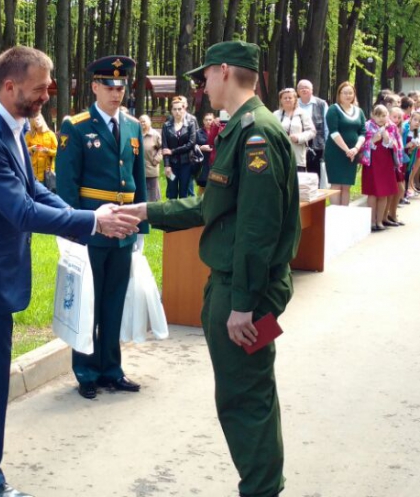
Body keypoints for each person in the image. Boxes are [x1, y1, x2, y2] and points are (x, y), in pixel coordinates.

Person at [0, 46, 138, 497]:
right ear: (10, 85)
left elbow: (32, 186)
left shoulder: (9, 124)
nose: (46, 97)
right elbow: (19, 210)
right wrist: (93, 222)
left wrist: (78, 213)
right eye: (39, 90)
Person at [122, 40, 299, 497]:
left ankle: (260, 489)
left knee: (245, 398)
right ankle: (263, 485)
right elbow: (213, 207)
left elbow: (258, 228)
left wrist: (242, 304)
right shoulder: (242, 127)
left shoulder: (256, 132)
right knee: (246, 393)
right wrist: (147, 212)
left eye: (205, 77)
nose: (201, 87)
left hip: (244, 292)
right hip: (237, 286)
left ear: (224, 71)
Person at [56, 55, 149, 400]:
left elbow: (137, 180)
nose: (117, 92)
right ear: (95, 87)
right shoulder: (77, 126)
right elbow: (67, 184)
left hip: (123, 229)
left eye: (121, 86)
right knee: (88, 304)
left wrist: (139, 228)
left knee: (113, 304)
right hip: (92, 227)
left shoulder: (133, 126)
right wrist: (74, 230)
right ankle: (86, 370)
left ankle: (112, 368)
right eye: (110, 86)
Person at [359, 105, 401, 231]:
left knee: (384, 193)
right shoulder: (367, 126)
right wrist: (373, 140)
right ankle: (371, 221)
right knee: (372, 193)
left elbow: (397, 145)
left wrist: (388, 140)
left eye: (383, 116)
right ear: (372, 115)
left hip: (386, 162)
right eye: (378, 116)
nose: (381, 119)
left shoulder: (391, 127)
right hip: (372, 163)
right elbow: (362, 144)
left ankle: (380, 220)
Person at [325, 81, 366, 206]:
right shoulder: (333, 109)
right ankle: (336, 214)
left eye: (350, 93)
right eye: (345, 93)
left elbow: (363, 132)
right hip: (336, 153)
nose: (348, 95)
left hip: (352, 153)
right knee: (336, 184)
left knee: (347, 185)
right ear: (339, 94)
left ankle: (345, 213)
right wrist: (346, 150)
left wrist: (355, 149)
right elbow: (334, 132)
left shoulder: (359, 111)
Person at [162, 95, 199, 199]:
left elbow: (191, 144)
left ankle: (182, 215)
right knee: (172, 193)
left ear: (184, 109)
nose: (177, 111)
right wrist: (166, 165)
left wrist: (172, 151)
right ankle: (171, 215)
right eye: (174, 109)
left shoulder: (190, 124)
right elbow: (165, 148)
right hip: (172, 165)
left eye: (179, 109)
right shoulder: (166, 126)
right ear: (171, 111)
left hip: (186, 163)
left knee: (184, 193)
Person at [274, 88, 315, 171]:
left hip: (298, 156)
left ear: (295, 100)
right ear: (281, 100)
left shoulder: (302, 114)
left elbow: (312, 131)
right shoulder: (275, 115)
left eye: (290, 98)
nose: (287, 100)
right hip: (280, 155)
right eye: (285, 98)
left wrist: (299, 138)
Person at [296, 79, 328, 184]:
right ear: (297, 91)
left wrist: (326, 145)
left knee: (315, 176)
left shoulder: (321, 104)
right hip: (298, 145)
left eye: (306, 88)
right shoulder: (293, 104)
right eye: (301, 88)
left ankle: (316, 198)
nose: (304, 90)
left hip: (316, 145)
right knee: (299, 175)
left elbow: (326, 127)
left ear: (312, 90)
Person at [25, 113, 58, 186]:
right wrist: (32, 149)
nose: (36, 122)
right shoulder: (29, 135)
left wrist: (48, 151)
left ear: (42, 120)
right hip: (34, 173)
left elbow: (58, 152)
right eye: (34, 121)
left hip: (48, 173)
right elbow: (22, 150)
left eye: (38, 119)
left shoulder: (51, 134)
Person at [140, 114, 163, 202]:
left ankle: (153, 211)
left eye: (144, 121)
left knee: (153, 194)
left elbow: (162, 148)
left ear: (149, 122)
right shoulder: (136, 133)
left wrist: (156, 159)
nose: (142, 123)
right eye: (140, 121)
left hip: (151, 168)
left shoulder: (155, 135)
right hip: (139, 169)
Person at [195, 112, 217, 187]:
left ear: (213, 120)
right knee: (203, 185)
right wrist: (200, 147)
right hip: (203, 163)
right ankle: (200, 199)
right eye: (206, 120)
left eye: (210, 120)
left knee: (214, 184)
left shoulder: (219, 131)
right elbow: (192, 146)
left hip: (215, 162)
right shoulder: (198, 133)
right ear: (203, 121)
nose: (208, 122)